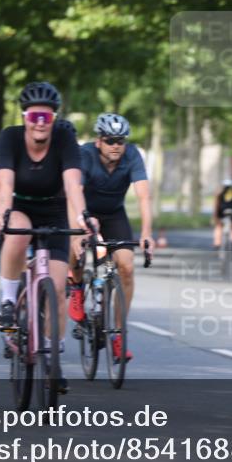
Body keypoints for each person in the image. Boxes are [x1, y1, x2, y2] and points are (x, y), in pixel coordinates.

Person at [0, 81, 97, 391]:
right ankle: (9, 301)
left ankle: (52, 357)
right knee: (19, 231)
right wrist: (3, 214)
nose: (40, 124)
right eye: (34, 117)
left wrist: (83, 217)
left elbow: (73, 186)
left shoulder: (65, 139)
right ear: (24, 117)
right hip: (18, 206)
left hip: (53, 211)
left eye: (46, 118)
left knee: (59, 288)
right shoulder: (9, 138)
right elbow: (5, 185)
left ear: (54, 119)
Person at [67, 113, 154, 364]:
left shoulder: (132, 155)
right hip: (85, 211)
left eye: (120, 140)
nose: (116, 145)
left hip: (115, 214)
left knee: (126, 267)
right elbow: (75, 193)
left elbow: (144, 196)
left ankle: (117, 335)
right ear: (99, 141)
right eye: (110, 140)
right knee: (76, 244)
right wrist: (78, 230)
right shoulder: (85, 155)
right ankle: (75, 286)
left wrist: (147, 233)